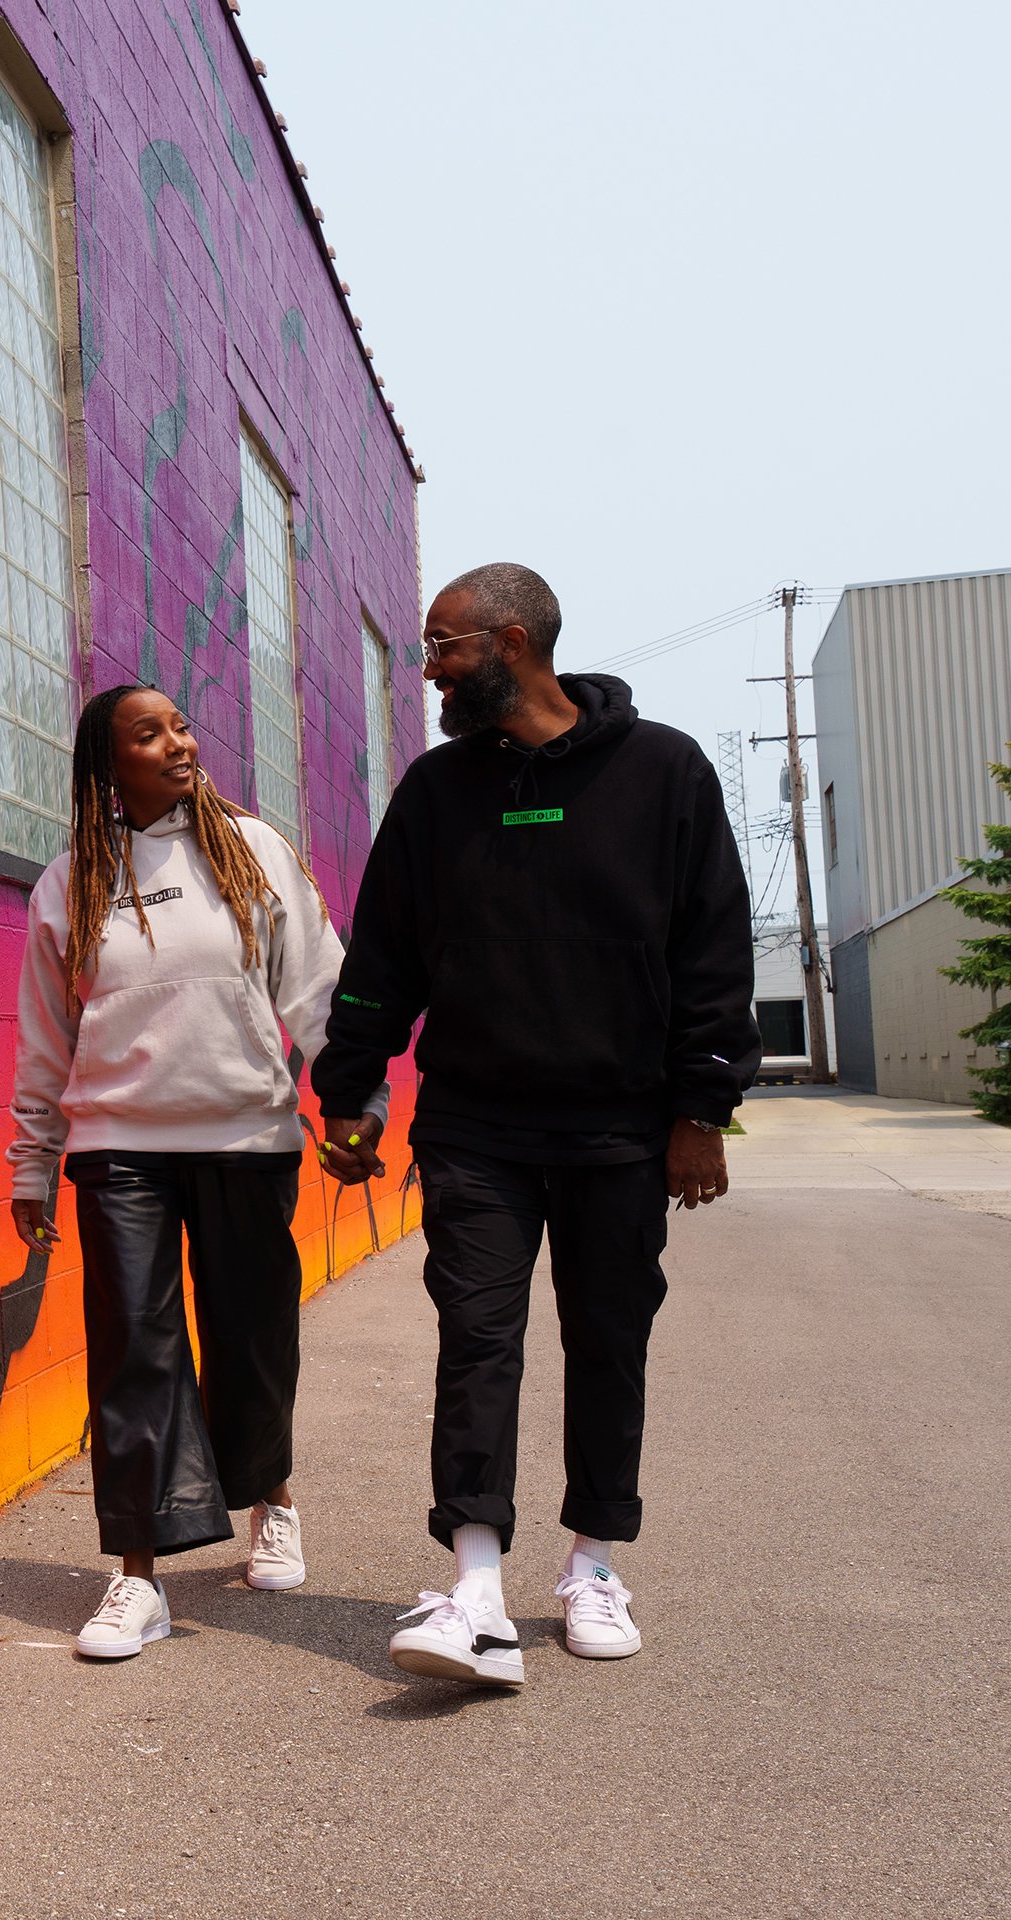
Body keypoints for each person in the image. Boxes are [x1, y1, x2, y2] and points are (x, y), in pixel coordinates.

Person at [317, 562, 755, 1688]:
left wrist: (700, 1108)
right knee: (476, 1341)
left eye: (441, 647)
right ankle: (471, 1584)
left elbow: (709, 948)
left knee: (607, 1341)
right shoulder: (434, 792)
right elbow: (382, 959)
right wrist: (349, 1091)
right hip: (475, 1127)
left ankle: (591, 1565)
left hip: (617, 1128)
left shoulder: (661, 772)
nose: (425, 670)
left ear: (509, 643)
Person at [8, 684, 380, 1660]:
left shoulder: (249, 851)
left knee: (249, 1337)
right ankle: (136, 1578)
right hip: (116, 1149)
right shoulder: (69, 884)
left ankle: (271, 1500)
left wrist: (353, 1104)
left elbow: (313, 986)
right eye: (149, 733)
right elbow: (44, 1045)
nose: (177, 743)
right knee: (132, 1351)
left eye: (179, 725)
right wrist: (30, 1163)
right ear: (108, 766)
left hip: (244, 1137)